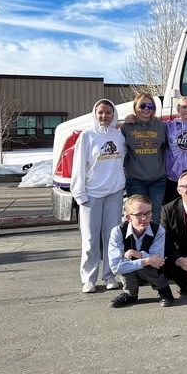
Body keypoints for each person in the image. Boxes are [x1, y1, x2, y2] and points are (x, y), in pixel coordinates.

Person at [71, 98, 126, 293]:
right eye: (100, 112)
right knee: (90, 239)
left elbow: (123, 161)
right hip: (91, 194)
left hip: (114, 192)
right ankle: (89, 278)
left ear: (114, 114)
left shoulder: (119, 136)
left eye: (108, 113)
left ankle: (109, 275)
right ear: (95, 114)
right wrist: (79, 193)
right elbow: (78, 166)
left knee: (112, 237)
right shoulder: (87, 136)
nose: (104, 116)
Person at [106, 194, 175, 308]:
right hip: (132, 269)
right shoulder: (117, 232)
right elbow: (115, 266)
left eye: (148, 213)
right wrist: (145, 260)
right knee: (128, 264)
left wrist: (137, 254)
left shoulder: (158, 230)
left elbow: (157, 261)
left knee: (143, 262)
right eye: (139, 214)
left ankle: (164, 290)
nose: (145, 218)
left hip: (152, 270)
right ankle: (130, 294)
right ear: (128, 218)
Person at [121, 92, 168, 222]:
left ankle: (154, 243)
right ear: (136, 107)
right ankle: (138, 242)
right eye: (142, 106)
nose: (146, 109)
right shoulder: (127, 127)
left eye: (150, 106)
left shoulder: (162, 126)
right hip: (135, 180)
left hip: (157, 180)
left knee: (155, 216)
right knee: (138, 216)